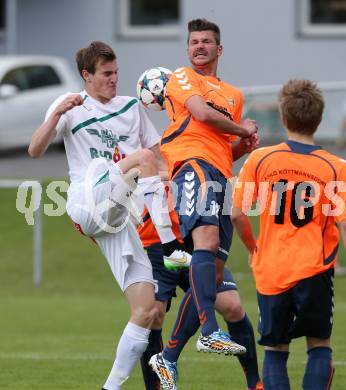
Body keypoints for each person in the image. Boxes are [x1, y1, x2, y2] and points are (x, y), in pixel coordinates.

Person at [27, 41, 183, 390]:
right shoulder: (70, 106)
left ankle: (110, 387)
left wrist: (172, 179)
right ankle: (172, 248)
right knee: (139, 159)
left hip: (115, 216)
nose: (115, 79)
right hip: (87, 197)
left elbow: (157, 163)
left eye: (116, 72)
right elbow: (35, 150)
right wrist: (56, 114)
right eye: (106, 74)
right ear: (87, 75)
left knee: (147, 309)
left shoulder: (130, 106)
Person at [232, 79, 346, 390]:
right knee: (319, 344)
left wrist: (253, 248)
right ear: (319, 119)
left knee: (275, 349)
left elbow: (236, 213)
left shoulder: (260, 159)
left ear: (284, 118)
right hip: (314, 269)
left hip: (272, 269)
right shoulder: (336, 167)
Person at [139, 188, 263, 390]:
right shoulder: (155, 157)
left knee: (232, 306)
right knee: (152, 314)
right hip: (157, 243)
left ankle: (255, 384)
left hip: (196, 240)